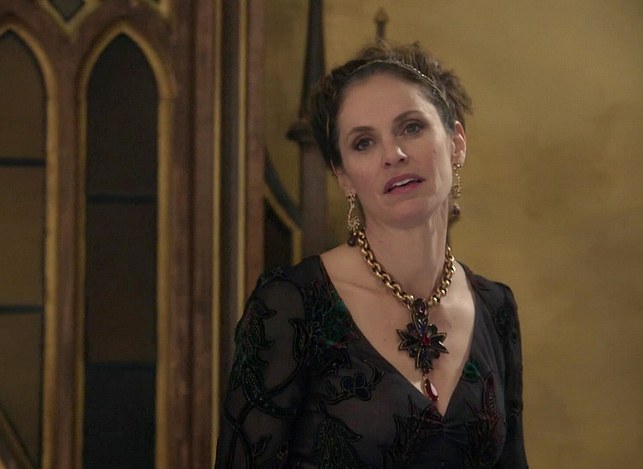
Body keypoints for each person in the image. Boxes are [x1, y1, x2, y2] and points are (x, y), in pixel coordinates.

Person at [215, 41, 528, 468]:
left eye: (411, 127)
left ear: (456, 142)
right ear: (343, 176)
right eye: (364, 142)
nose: (393, 155)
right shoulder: (291, 307)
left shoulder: (496, 308)